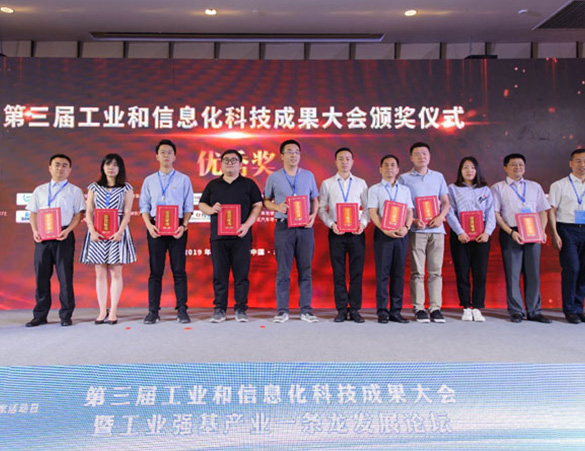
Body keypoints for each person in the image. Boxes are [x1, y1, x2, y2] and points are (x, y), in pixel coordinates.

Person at [198, 149, 263, 323]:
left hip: (241, 236)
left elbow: (257, 205)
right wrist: (211, 209)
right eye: (226, 160)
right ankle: (219, 309)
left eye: (234, 160)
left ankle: (241, 309)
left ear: (240, 164)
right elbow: (202, 205)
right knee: (220, 275)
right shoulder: (213, 185)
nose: (229, 163)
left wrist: (247, 225)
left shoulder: (248, 184)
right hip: (218, 237)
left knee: (241, 275)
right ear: (221, 164)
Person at [25, 154, 85, 327]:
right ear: (50, 168)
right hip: (42, 237)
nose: (60, 168)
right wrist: (35, 231)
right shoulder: (40, 190)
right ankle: (40, 315)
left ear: (70, 170)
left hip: (63, 235)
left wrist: (68, 230)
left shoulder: (75, 191)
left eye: (64, 165)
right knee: (41, 276)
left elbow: (79, 214)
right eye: (57, 165)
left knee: (65, 277)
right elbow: (33, 212)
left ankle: (66, 315)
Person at [264, 139, 320, 323]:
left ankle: (306, 310)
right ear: (282, 156)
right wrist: (276, 207)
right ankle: (282, 311)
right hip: (284, 227)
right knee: (283, 271)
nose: (293, 155)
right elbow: (266, 201)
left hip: (305, 228)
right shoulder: (273, 177)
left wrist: (313, 216)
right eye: (289, 151)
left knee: (306, 270)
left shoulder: (308, 176)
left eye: (296, 152)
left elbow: (315, 199)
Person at [491, 153, 551, 323]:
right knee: (513, 274)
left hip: (533, 231)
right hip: (511, 232)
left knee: (533, 273)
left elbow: (542, 210)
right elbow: (495, 214)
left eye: (521, 164)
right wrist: (510, 232)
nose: (517, 167)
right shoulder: (498, 188)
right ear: (505, 167)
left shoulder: (534, 186)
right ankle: (516, 311)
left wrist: (542, 230)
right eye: (513, 164)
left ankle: (534, 311)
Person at [139, 139, 193, 324]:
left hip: (177, 227)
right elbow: (144, 206)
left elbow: (188, 206)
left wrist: (183, 226)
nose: (166, 155)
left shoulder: (184, 179)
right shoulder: (149, 180)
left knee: (179, 270)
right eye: (162, 152)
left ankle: (182, 310)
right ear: (157, 156)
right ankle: (153, 311)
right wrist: (149, 226)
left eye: (169, 152)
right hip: (155, 227)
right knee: (155, 271)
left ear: (175, 156)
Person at [80, 154, 136, 325]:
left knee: (116, 272)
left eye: (115, 165)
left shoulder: (126, 188)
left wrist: (120, 232)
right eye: (107, 164)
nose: (111, 168)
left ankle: (113, 311)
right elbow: (89, 211)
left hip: (117, 234)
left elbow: (127, 213)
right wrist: (92, 230)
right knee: (99, 272)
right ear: (102, 167)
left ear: (120, 168)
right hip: (97, 234)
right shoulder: (94, 187)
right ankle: (102, 310)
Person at [398, 142, 450, 323]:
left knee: (436, 271)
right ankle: (419, 307)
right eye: (417, 154)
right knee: (417, 271)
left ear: (429, 156)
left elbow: (445, 201)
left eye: (425, 153)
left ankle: (435, 308)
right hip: (416, 230)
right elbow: (401, 205)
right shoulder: (404, 178)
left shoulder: (438, 177)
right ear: (411, 158)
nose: (422, 156)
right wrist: (412, 220)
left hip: (437, 230)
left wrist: (441, 217)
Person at [318, 148, 369, 323]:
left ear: (352, 161)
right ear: (335, 162)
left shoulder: (361, 183)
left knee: (356, 272)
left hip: (356, 233)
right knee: (338, 272)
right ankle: (341, 309)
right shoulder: (327, 183)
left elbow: (367, 208)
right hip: (336, 232)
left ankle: (354, 309)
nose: (344, 162)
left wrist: (362, 224)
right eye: (341, 159)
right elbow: (321, 208)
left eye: (348, 159)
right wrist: (331, 224)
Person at [446, 157, 495, 322]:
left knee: (480, 272)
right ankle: (466, 306)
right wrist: (459, 231)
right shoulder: (453, 188)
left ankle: (478, 307)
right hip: (460, 235)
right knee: (462, 271)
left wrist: (487, 232)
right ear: (460, 170)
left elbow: (490, 213)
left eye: (473, 168)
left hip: (481, 236)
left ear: (477, 170)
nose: (469, 171)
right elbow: (450, 212)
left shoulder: (485, 190)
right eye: (466, 167)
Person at [368, 155, 413, 324]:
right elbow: (373, 212)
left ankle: (396, 311)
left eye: (393, 165)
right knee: (382, 273)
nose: (389, 168)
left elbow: (409, 211)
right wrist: (384, 229)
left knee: (398, 274)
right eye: (386, 165)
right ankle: (382, 311)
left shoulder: (405, 190)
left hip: (401, 234)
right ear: (380, 169)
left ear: (398, 170)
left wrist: (406, 227)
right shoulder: (374, 189)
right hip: (383, 235)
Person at [548, 149, 585, 324]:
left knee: (584, 270)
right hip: (567, 229)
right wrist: (554, 233)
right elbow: (551, 210)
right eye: (578, 161)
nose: (582, 165)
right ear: (571, 163)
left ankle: (579, 308)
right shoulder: (559, 185)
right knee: (572, 268)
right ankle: (569, 310)